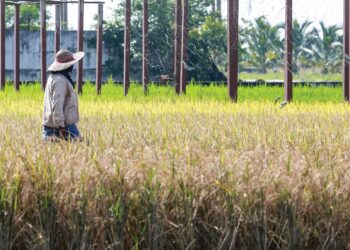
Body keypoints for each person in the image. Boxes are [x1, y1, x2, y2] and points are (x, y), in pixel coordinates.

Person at [42, 49, 85, 141]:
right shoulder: (60, 80)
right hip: (63, 125)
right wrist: (60, 126)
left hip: (52, 124)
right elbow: (57, 104)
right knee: (79, 147)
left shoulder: (53, 77)